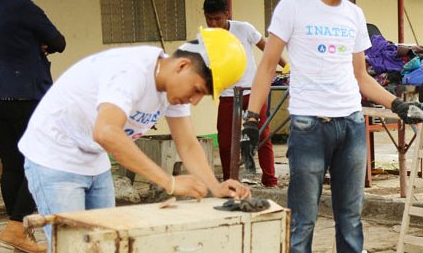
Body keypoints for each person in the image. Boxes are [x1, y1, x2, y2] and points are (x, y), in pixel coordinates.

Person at [242, 0, 423, 253]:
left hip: (350, 125)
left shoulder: (355, 15)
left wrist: (396, 104)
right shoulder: (292, 7)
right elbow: (268, 64)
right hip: (309, 126)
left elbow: (361, 76)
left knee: (351, 216)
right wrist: (252, 120)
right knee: (304, 218)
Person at [18, 27, 252, 236]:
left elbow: (188, 143)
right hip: (55, 156)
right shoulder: (131, 72)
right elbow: (107, 132)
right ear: (183, 66)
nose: (195, 101)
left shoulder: (174, 88)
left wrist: (215, 186)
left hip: (94, 158)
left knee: (105, 246)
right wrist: (169, 182)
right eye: (198, 90)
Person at [0, 0, 65, 253]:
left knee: (14, 163)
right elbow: (59, 41)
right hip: (25, 94)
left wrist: (30, 43)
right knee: (41, 161)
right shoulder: (25, 8)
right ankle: (17, 227)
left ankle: (17, 232)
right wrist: (39, 43)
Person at [203, 0, 286, 187]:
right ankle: (229, 181)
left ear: (226, 14)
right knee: (225, 142)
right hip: (227, 95)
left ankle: (270, 180)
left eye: (217, 18)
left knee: (262, 135)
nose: (213, 23)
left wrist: (288, 66)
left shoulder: (244, 28)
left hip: (252, 91)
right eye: (209, 19)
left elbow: (268, 49)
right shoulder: (206, 39)